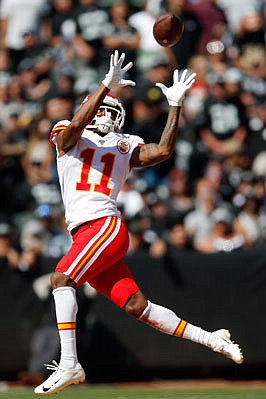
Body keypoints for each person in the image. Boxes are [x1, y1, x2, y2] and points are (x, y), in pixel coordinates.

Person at [34, 50, 243, 395]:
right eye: (98, 108)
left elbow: (162, 151)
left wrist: (174, 106)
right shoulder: (68, 136)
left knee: (61, 278)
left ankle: (70, 364)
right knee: (136, 306)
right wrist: (104, 87)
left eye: (108, 110)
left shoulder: (124, 144)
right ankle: (213, 340)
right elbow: (72, 129)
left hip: (103, 225)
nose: (102, 115)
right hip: (85, 233)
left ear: (120, 118)